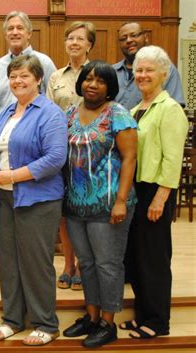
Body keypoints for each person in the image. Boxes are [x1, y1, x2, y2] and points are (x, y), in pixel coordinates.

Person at [0, 55, 67, 346]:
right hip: (5, 199)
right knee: (7, 262)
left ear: (38, 79)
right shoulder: (6, 111)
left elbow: (56, 158)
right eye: (14, 76)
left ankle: (46, 322)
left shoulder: (50, 113)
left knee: (36, 262)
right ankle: (13, 319)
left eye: (24, 76)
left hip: (38, 200)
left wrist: (15, 176)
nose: (18, 81)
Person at [62, 61, 138, 348]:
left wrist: (120, 201)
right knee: (87, 264)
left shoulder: (118, 114)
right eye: (88, 79)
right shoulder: (69, 112)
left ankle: (108, 322)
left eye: (100, 81)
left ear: (110, 87)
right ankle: (91, 317)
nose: (92, 84)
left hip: (109, 205)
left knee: (108, 264)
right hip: (75, 204)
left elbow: (130, 158)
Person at [123, 46, 188, 339]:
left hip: (155, 191)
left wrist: (161, 197)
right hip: (137, 190)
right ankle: (142, 315)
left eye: (149, 70)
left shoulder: (170, 108)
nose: (143, 75)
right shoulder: (138, 108)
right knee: (136, 257)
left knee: (154, 258)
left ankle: (158, 321)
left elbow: (173, 159)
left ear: (164, 73)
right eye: (139, 70)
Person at [46, 21, 96, 291]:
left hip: (92, 153)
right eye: (70, 39)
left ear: (90, 44)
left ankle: (84, 264)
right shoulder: (56, 77)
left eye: (80, 39)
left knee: (85, 208)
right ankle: (67, 264)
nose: (74, 43)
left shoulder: (97, 73)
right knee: (66, 211)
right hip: (64, 151)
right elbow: (50, 115)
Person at [0, 11, 57, 116]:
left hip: (36, 127)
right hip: (5, 126)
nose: (15, 32)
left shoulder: (44, 62)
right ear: (5, 34)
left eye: (20, 28)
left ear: (29, 33)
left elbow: (54, 99)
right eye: (10, 28)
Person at [113, 22, 185, 110]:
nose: (129, 40)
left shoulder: (165, 68)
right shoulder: (112, 71)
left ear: (145, 38)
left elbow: (175, 107)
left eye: (134, 35)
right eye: (123, 38)